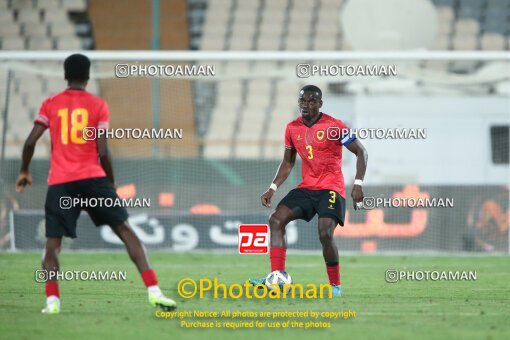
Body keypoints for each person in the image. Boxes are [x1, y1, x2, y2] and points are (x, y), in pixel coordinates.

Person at [15, 54, 176, 314]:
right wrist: (109, 183)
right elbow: (103, 150)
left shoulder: (50, 104)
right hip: (92, 178)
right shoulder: (97, 105)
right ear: (88, 76)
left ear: (66, 76)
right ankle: (154, 291)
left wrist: (24, 170)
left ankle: (52, 301)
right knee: (125, 230)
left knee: (53, 244)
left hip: (61, 182)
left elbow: (31, 142)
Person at [250, 85, 368, 297]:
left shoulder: (334, 126)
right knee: (276, 220)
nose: (307, 105)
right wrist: (272, 188)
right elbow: (288, 162)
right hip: (307, 187)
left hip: (331, 187)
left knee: (325, 232)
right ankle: (276, 277)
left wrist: (358, 183)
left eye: (312, 101)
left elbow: (361, 151)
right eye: (303, 101)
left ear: (320, 104)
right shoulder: (292, 128)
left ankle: (335, 286)